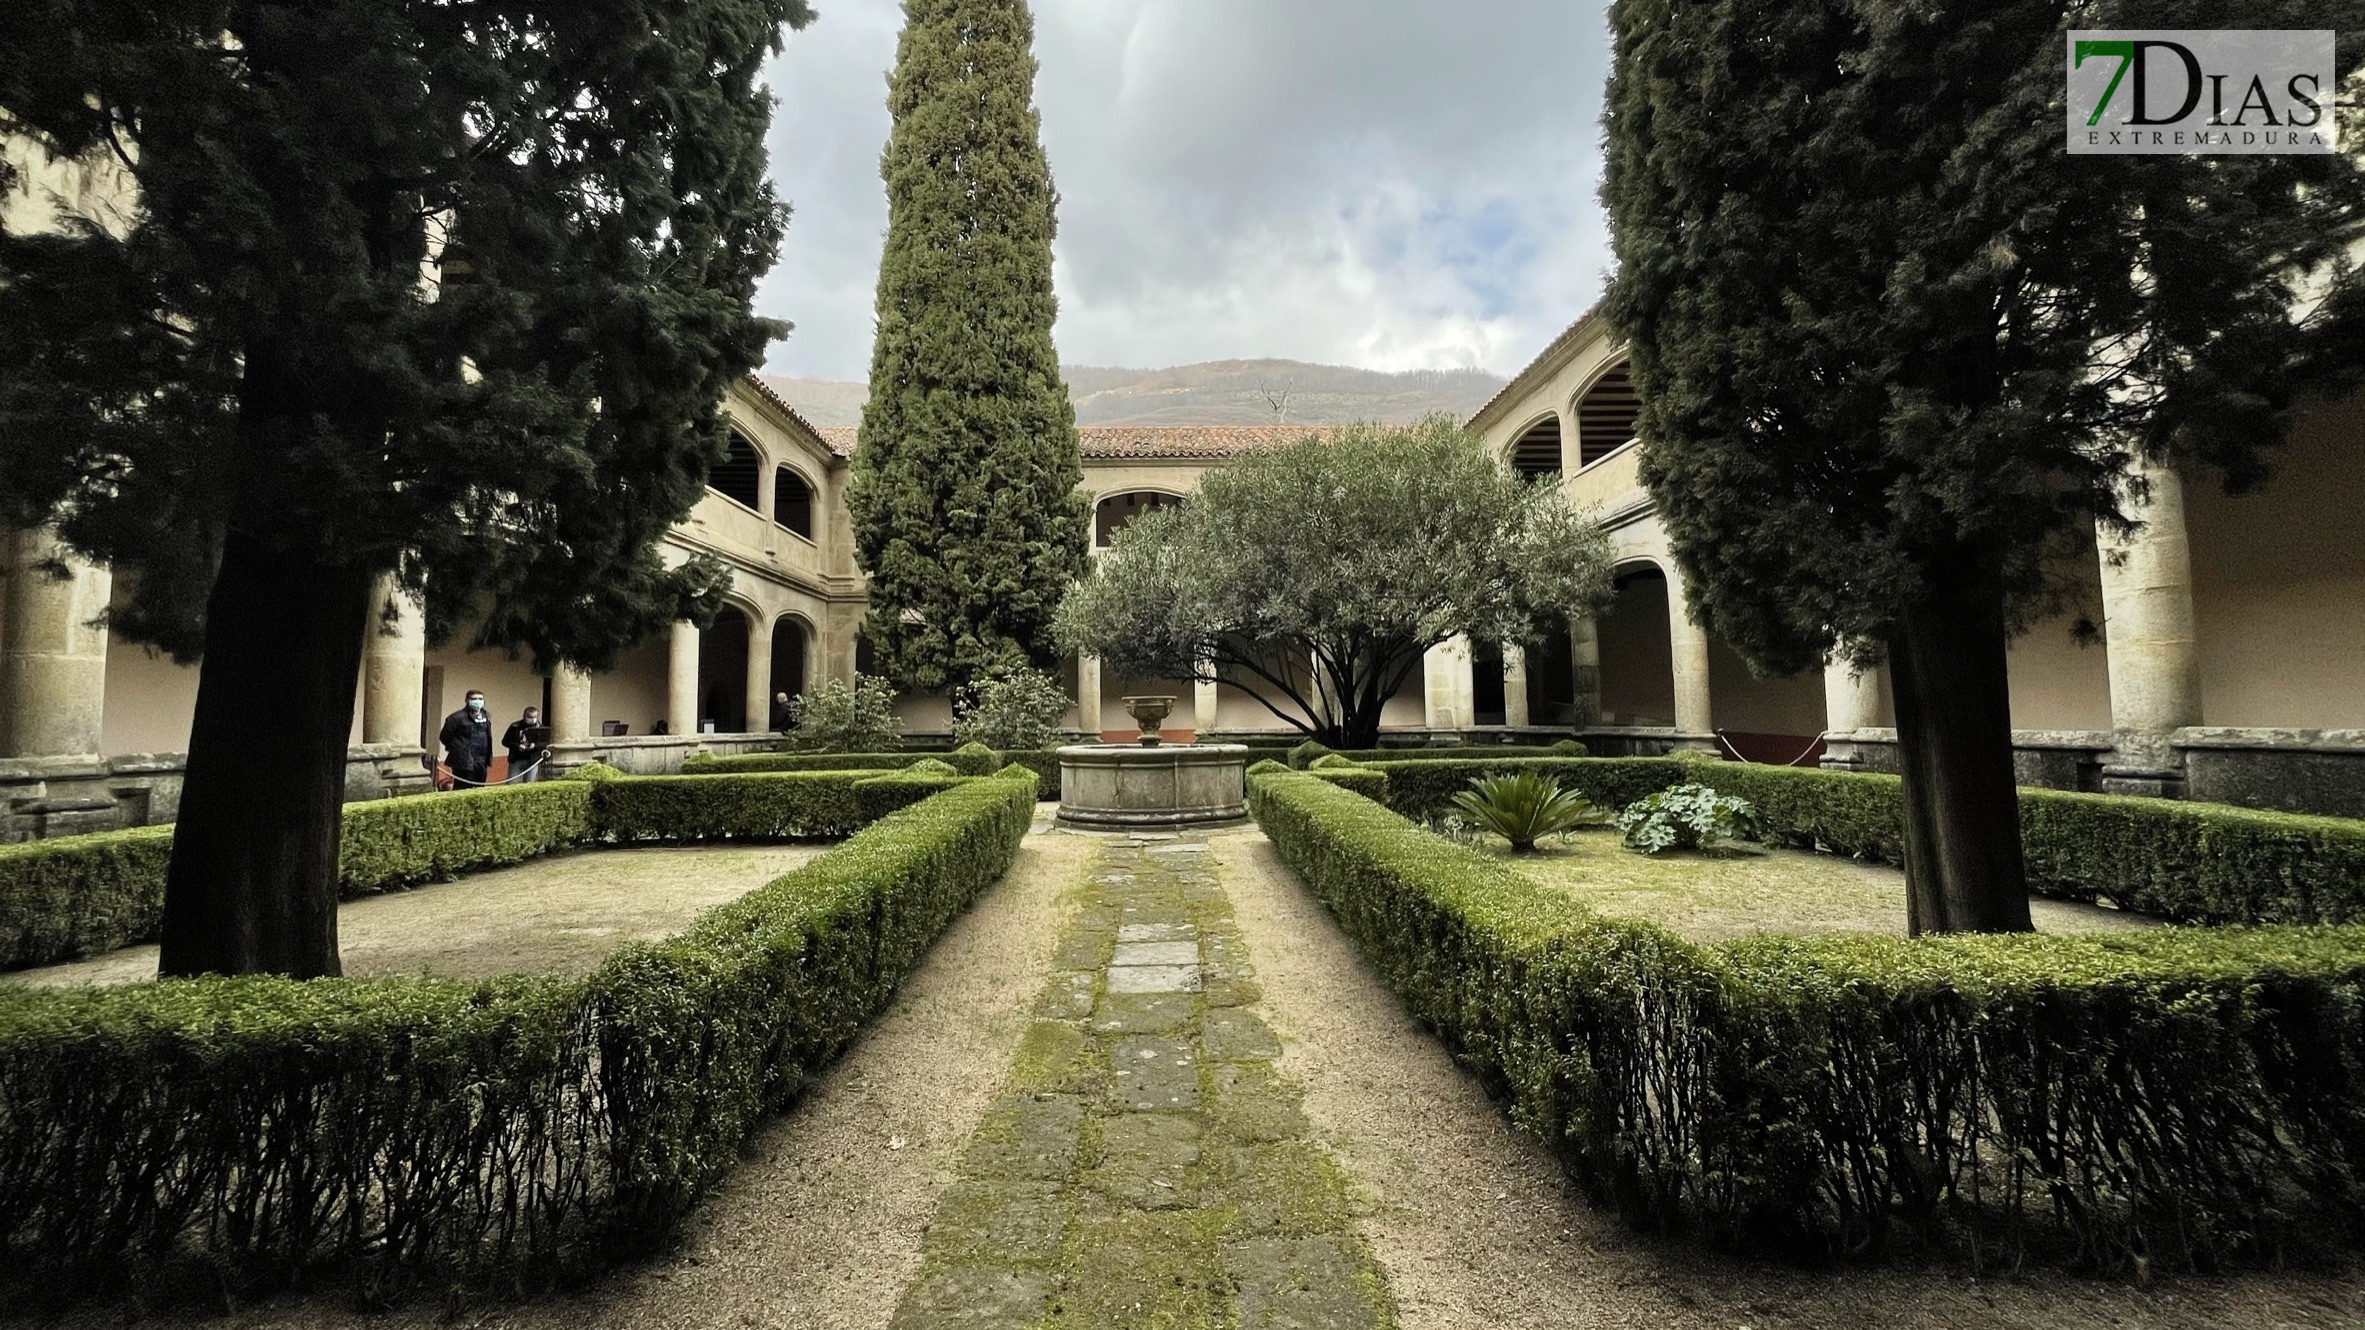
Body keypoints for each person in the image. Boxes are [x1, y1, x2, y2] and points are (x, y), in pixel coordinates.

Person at [439, 690, 493, 790]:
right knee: (462, 789)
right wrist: (458, 749)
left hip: (481, 761)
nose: (477, 701)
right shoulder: (456, 718)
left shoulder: (487, 717)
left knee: (479, 789)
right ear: (467, 700)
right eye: (474, 699)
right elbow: (444, 737)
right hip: (463, 762)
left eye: (480, 699)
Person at [502, 705, 549, 784]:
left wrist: (535, 745)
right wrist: (517, 746)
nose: (532, 719)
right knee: (512, 783)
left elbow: (546, 743)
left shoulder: (540, 728)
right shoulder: (515, 726)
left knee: (529, 784)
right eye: (529, 717)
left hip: (533, 760)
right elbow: (505, 741)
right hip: (516, 760)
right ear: (524, 716)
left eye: (534, 717)